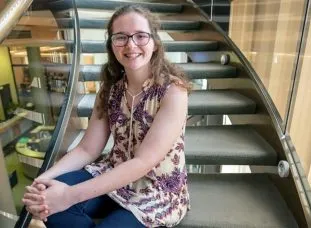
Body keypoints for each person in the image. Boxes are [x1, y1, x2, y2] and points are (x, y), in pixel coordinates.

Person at [22, 5, 191, 227]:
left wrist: (68, 196)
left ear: (155, 42)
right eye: (121, 37)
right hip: (112, 173)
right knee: (50, 202)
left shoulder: (173, 92)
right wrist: (44, 179)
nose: (131, 45)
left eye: (140, 36)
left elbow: (142, 162)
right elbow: (87, 149)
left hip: (156, 189)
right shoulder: (110, 89)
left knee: (62, 202)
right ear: (112, 45)